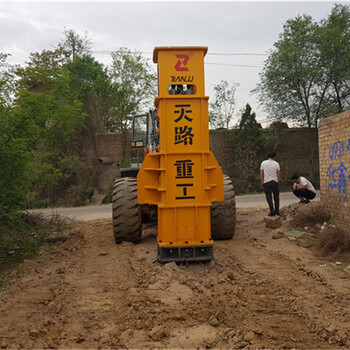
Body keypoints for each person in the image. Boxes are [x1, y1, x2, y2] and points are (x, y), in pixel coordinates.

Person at [260, 151, 280, 216]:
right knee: (276, 197)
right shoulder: (276, 164)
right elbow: (278, 174)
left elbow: (261, 174)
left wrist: (262, 182)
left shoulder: (263, 163)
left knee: (269, 197)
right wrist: (277, 181)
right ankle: (277, 211)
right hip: (274, 182)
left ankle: (272, 211)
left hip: (266, 182)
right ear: (274, 157)